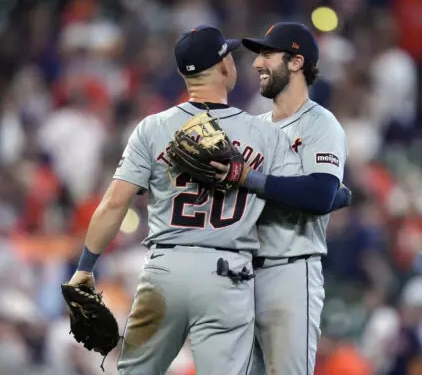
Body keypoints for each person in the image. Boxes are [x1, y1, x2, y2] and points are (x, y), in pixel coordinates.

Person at [66, 25, 346, 375]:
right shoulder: (263, 134)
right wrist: (338, 196)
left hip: (164, 270)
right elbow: (308, 191)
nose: (251, 62)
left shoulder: (152, 127)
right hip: (227, 277)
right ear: (225, 67)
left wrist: (84, 267)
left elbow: (112, 204)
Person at [217, 22, 349, 375]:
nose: (257, 63)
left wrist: (250, 179)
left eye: (267, 54)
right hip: (241, 276)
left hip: (289, 272)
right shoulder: (252, 127)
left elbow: (319, 194)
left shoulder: (321, 124)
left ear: (295, 62)